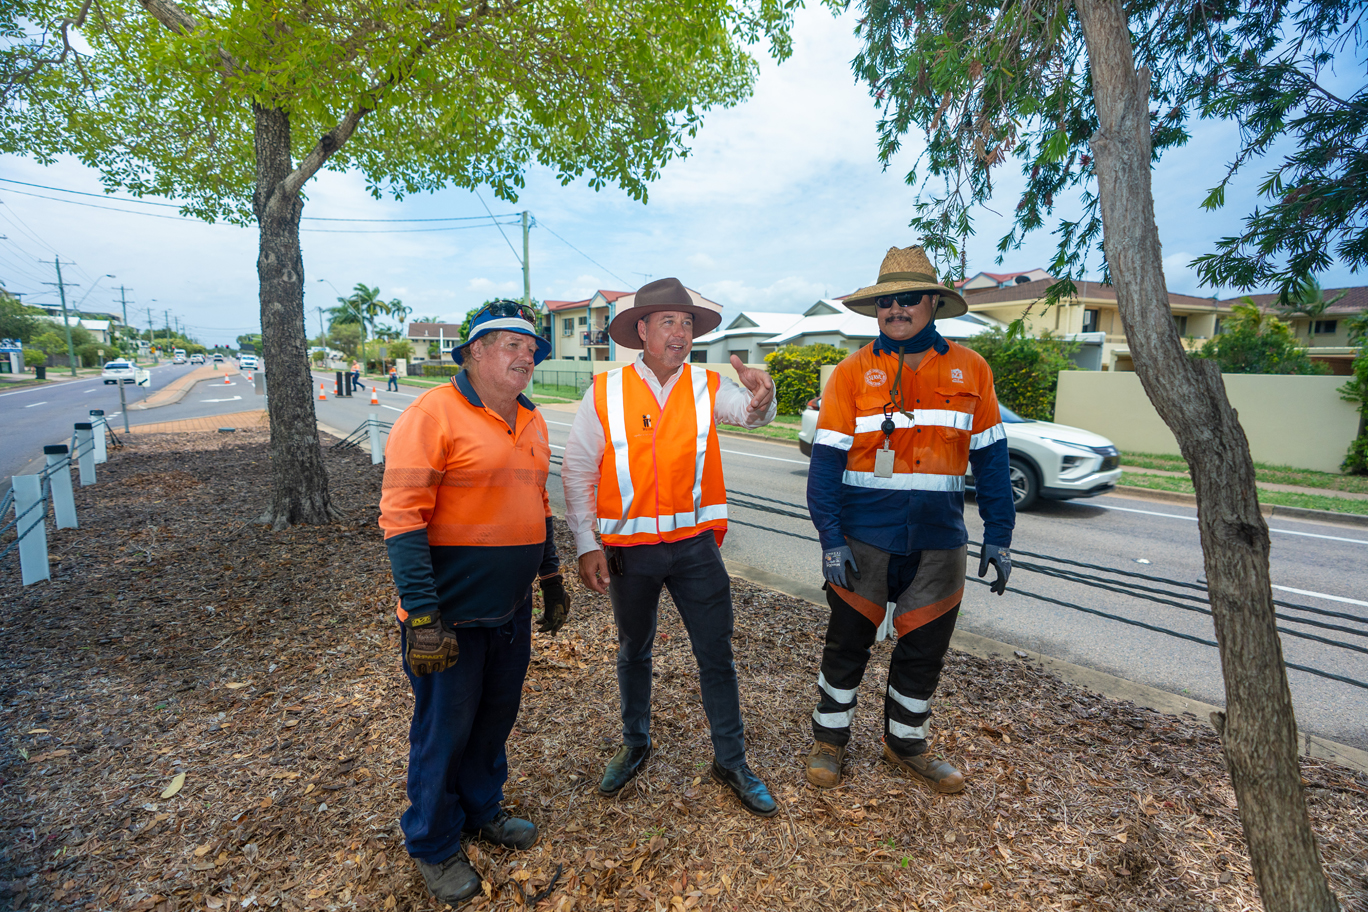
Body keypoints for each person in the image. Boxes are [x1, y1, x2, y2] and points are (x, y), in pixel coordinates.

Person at [561, 277, 781, 817]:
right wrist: (586, 543)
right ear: (641, 331)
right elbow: (578, 469)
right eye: (668, 322)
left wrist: (763, 397)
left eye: (686, 323)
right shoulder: (604, 392)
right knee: (634, 650)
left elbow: (748, 413)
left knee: (717, 655)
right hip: (630, 553)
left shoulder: (707, 386)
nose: (680, 333)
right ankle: (635, 742)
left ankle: (730, 760)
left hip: (696, 550)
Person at [803, 245, 1014, 794]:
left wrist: (1000, 536)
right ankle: (829, 742)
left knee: (924, 649)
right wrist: (829, 539)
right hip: (862, 538)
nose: (896, 309)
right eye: (886, 301)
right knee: (846, 643)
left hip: (939, 541)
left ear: (933, 303)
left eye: (908, 299)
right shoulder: (851, 374)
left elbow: (992, 460)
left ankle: (906, 745)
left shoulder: (973, 369)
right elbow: (824, 466)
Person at [379, 300, 571, 905]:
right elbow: (402, 518)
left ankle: (480, 809)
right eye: (511, 344)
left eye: (532, 346)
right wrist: (423, 614)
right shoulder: (432, 413)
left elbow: (536, 504)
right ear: (474, 353)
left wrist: (551, 578)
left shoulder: (533, 420)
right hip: (450, 613)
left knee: (495, 718)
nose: (527, 355)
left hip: (510, 609)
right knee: (445, 729)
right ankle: (433, 842)